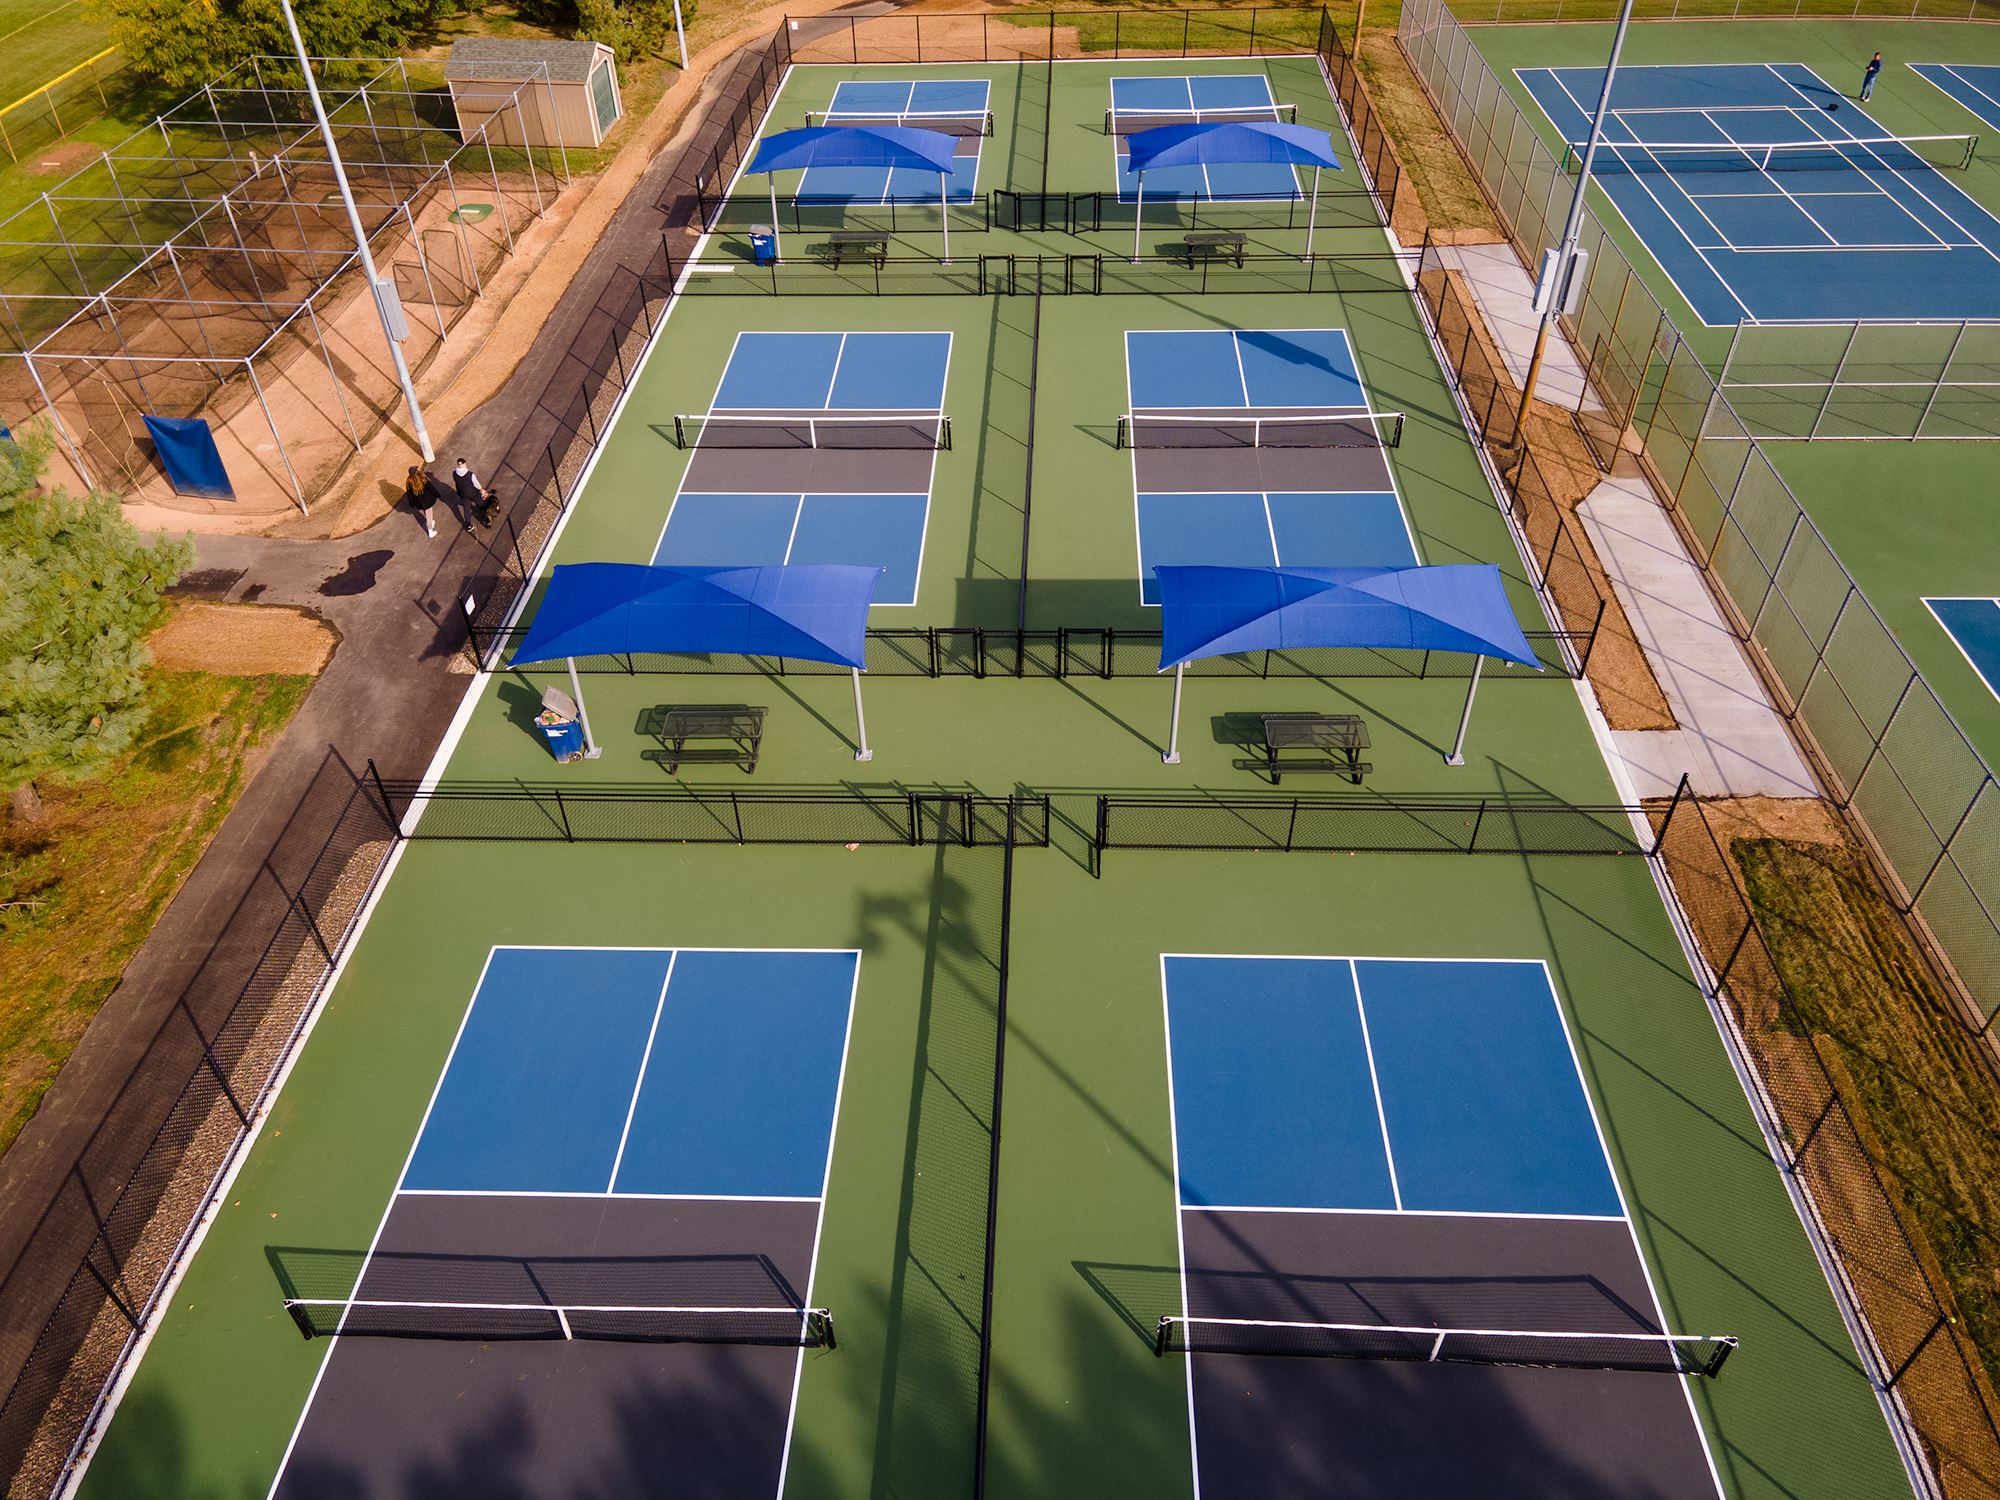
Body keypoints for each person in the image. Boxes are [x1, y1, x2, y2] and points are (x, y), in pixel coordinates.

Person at [450, 458, 493, 532]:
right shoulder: (470, 474)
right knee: (481, 504)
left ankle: (468, 525)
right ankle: (487, 519)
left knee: (466, 509)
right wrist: (482, 490)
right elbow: (476, 484)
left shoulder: (454, 473)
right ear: (464, 464)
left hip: (462, 494)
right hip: (473, 493)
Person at [403, 464, 437, 538]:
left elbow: (409, 494)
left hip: (419, 503)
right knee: (429, 515)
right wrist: (436, 494)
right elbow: (431, 487)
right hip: (428, 501)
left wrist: (412, 504)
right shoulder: (422, 478)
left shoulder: (409, 482)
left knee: (426, 513)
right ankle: (430, 531)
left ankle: (429, 521)